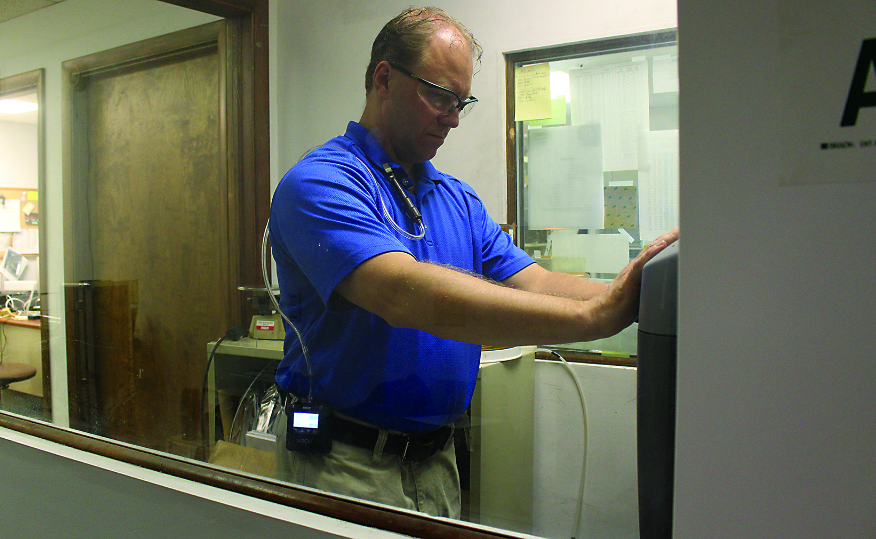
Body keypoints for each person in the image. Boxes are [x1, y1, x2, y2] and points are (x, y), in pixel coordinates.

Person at [267, 6, 678, 518]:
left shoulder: (454, 198)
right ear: (384, 78)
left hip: (436, 461)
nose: (454, 118)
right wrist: (595, 318)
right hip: (344, 464)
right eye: (439, 96)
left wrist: (637, 291)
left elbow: (536, 281)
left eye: (462, 102)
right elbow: (399, 293)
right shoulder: (322, 183)